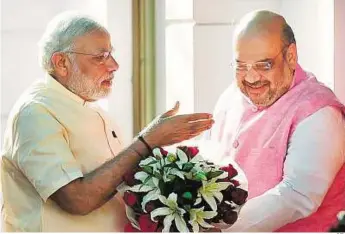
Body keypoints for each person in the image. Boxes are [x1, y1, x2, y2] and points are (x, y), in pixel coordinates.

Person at [0, 12, 214, 232]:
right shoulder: (36, 113)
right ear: (62, 63)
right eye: (100, 57)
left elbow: (117, 181)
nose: (114, 65)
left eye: (111, 54)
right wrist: (148, 140)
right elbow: (78, 199)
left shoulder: (88, 106)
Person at [205, 10, 345, 232]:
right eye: (241, 66)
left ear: (291, 56)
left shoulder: (319, 111)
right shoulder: (230, 96)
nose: (251, 78)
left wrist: (219, 230)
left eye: (264, 65)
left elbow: (296, 195)